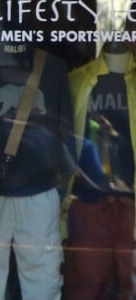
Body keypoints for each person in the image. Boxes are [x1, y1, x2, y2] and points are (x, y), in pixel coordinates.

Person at [0, 45, 75, 299]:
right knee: (34, 278)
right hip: (2, 194)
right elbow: (67, 137)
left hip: (20, 190)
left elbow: (67, 137)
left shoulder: (52, 67)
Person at [63, 41, 136, 300]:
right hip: (88, 200)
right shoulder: (78, 80)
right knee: (86, 284)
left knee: (128, 284)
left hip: (130, 202)